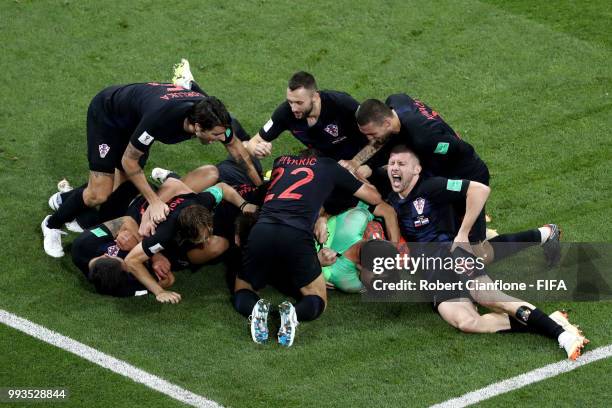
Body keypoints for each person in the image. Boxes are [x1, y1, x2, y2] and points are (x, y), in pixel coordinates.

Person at [383, 145, 587, 360]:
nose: (395, 168)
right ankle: (550, 321)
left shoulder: (433, 186)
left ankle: (562, 335)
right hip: (434, 275)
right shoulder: (392, 195)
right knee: (467, 322)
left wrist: (462, 234)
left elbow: (480, 190)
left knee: (489, 298)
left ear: (416, 170)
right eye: (392, 163)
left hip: (454, 256)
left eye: (402, 164)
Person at [42, 59, 262, 258]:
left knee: (121, 184)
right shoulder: (161, 119)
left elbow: (236, 149)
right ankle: (52, 225)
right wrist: (155, 203)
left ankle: (66, 199)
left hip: (135, 123)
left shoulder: (210, 114)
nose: (219, 138)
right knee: (99, 193)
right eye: (214, 135)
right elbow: (130, 162)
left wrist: (261, 187)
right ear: (196, 127)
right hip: (109, 116)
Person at [232, 149, 383, 347]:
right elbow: (374, 198)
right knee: (317, 297)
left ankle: (256, 310)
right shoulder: (329, 166)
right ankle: (294, 314)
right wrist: (354, 174)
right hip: (296, 235)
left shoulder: (281, 161)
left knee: (243, 288)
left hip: (263, 229)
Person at [346, 95, 490, 241]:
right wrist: (368, 165)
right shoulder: (395, 101)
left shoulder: (423, 139)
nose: (370, 139)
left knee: (475, 243)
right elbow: (392, 140)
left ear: (386, 123)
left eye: (372, 134)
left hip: (467, 175)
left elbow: (456, 148)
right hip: (442, 172)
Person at [245, 71, 368, 162]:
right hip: (326, 161)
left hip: (360, 155)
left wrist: (356, 162)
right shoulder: (285, 113)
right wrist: (257, 149)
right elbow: (253, 142)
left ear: (315, 97)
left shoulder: (341, 102)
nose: (293, 108)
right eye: (290, 101)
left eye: (299, 103)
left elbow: (378, 136)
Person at [71, 216, 175, 297]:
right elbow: (168, 280)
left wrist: (154, 255)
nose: (129, 265)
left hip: (140, 218)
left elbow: (127, 220)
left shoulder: (83, 245)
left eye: (124, 263)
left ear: (107, 255)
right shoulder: (117, 285)